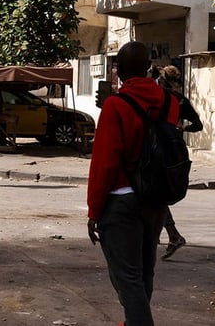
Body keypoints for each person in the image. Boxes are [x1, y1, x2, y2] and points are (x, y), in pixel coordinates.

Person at [87, 41, 179, 326]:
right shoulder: (169, 102)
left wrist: (93, 211)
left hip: (121, 200)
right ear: (148, 68)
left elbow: (104, 162)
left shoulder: (116, 105)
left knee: (126, 278)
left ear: (121, 70)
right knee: (143, 272)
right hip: (156, 198)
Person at [156, 64, 203, 260]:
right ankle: (165, 234)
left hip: (158, 149)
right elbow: (198, 125)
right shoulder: (181, 100)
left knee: (154, 193)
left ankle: (172, 235)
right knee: (157, 193)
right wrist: (181, 129)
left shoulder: (158, 97)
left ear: (162, 79)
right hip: (176, 152)